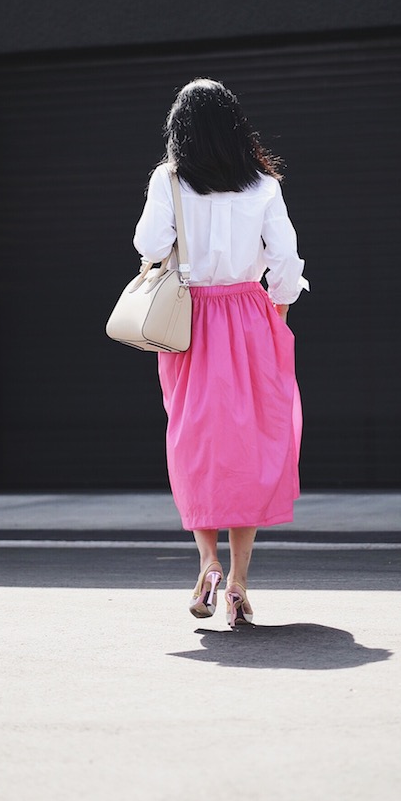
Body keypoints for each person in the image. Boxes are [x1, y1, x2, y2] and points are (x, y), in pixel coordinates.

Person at [133, 78, 308, 628]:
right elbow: (285, 260)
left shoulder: (170, 180)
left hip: (191, 323)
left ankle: (206, 563)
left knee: (196, 441)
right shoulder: (264, 185)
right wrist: (274, 310)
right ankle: (238, 582)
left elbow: (149, 246)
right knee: (251, 446)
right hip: (250, 316)